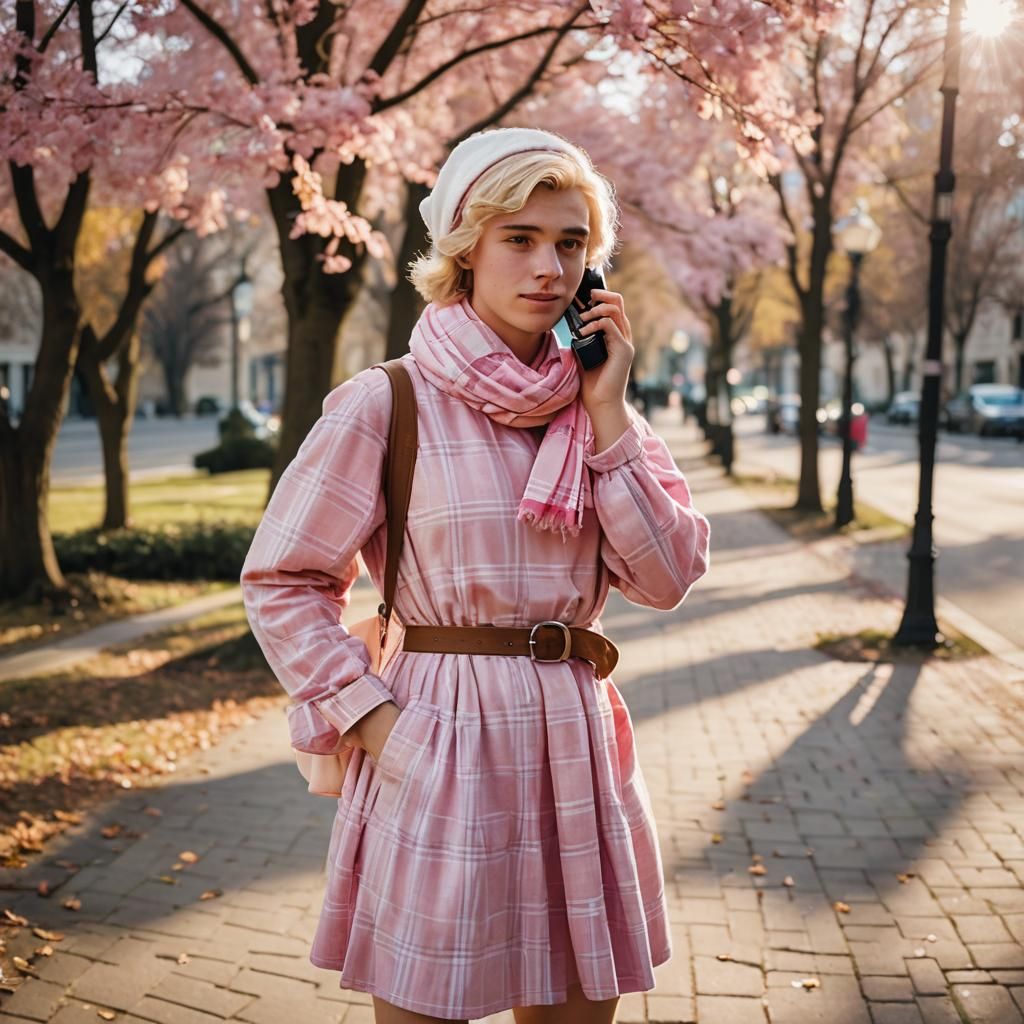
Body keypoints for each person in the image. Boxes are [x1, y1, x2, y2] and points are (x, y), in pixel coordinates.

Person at [240, 126, 711, 1024]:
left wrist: (608, 413)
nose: (551, 267)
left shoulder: (602, 413)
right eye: (521, 239)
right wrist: (371, 720)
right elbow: (282, 578)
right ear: (466, 251)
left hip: (572, 741)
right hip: (439, 739)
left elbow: (666, 577)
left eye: (572, 243)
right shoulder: (389, 401)